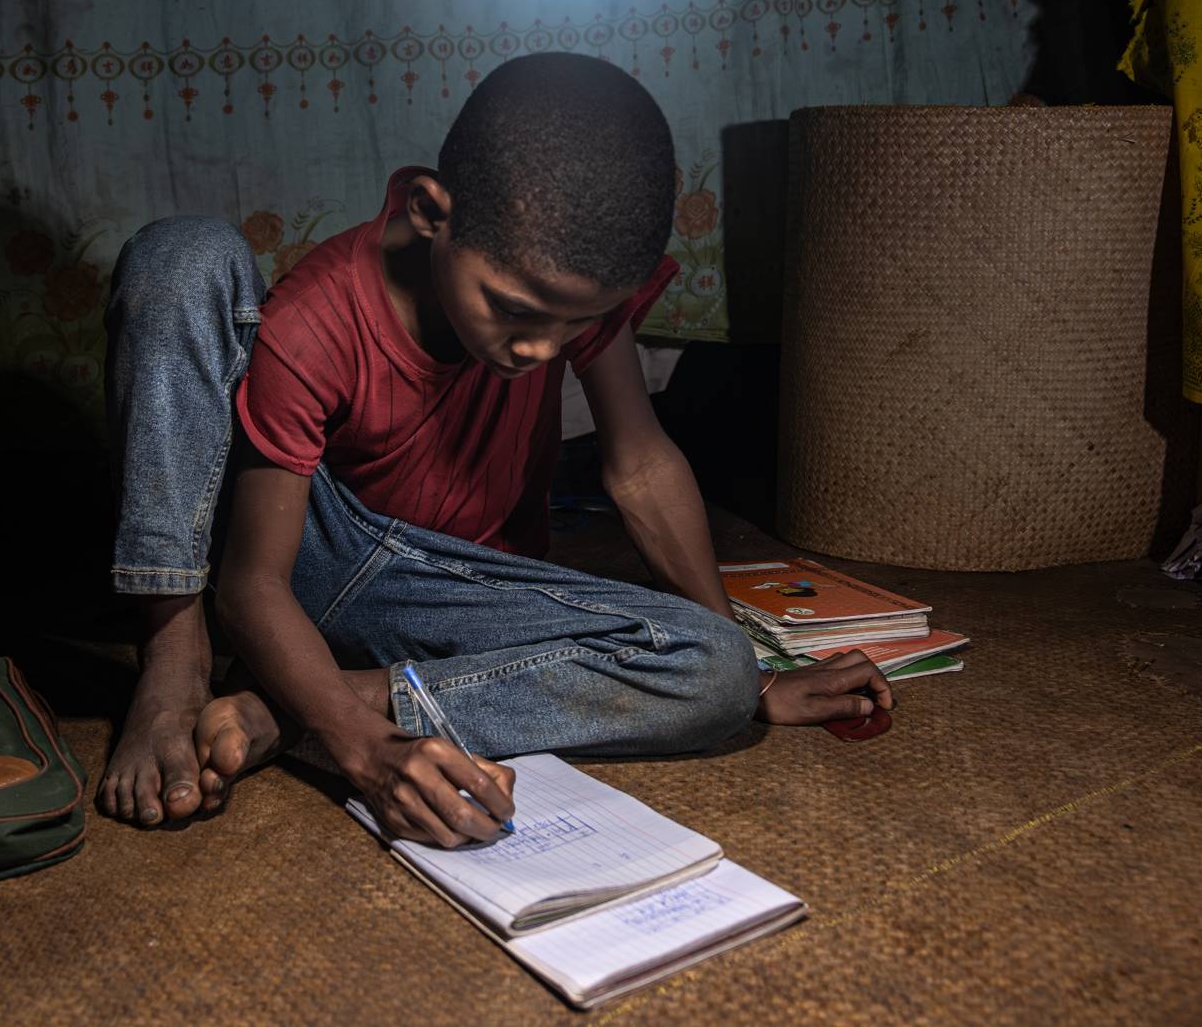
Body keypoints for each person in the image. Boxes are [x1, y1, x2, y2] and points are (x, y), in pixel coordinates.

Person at [97, 53, 893, 843]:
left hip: (452, 596)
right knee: (183, 252)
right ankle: (174, 667)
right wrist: (368, 754)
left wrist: (754, 679)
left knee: (714, 667)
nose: (542, 349)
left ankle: (308, 700)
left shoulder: (558, 295)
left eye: (576, 323)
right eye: (514, 310)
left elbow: (642, 466)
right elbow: (252, 583)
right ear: (431, 210)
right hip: (317, 558)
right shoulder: (316, 319)